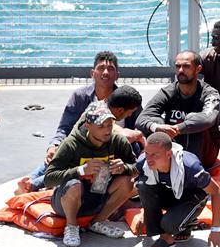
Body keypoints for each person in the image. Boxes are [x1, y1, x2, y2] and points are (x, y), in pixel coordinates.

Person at [19, 51, 137, 193]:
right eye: (101, 68)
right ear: (92, 73)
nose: (105, 73)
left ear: (117, 75)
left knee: (94, 175)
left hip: (112, 152)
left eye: (110, 69)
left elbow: (140, 127)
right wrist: (54, 146)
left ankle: (35, 184)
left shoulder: (128, 98)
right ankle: (31, 182)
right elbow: (65, 128)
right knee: (61, 154)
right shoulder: (80, 97)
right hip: (84, 148)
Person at [44, 103, 138, 247]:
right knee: (74, 185)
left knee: (128, 181)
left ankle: (98, 222)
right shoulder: (71, 144)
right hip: (67, 202)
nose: (107, 131)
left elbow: (137, 168)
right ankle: (71, 226)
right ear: (88, 126)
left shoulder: (118, 141)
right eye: (101, 127)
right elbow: (49, 179)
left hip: (98, 197)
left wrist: (123, 168)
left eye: (109, 125)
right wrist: (81, 171)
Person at [136, 132, 220, 247]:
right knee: (142, 184)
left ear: (168, 154)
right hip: (171, 193)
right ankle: (173, 230)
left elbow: (217, 192)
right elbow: (145, 191)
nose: (149, 159)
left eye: (155, 155)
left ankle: (178, 227)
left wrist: (215, 230)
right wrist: (145, 212)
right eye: (147, 153)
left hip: (192, 197)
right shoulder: (143, 163)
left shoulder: (190, 167)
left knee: (168, 224)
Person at [137, 51, 220, 169]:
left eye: (186, 66)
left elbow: (207, 119)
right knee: (156, 121)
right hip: (173, 147)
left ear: (198, 69)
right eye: (178, 66)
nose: (181, 70)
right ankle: (167, 165)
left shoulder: (209, 93)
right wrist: (157, 127)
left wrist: (177, 129)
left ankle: (190, 169)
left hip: (205, 154)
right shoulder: (167, 92)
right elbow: (141, 119)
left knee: (193, 120)